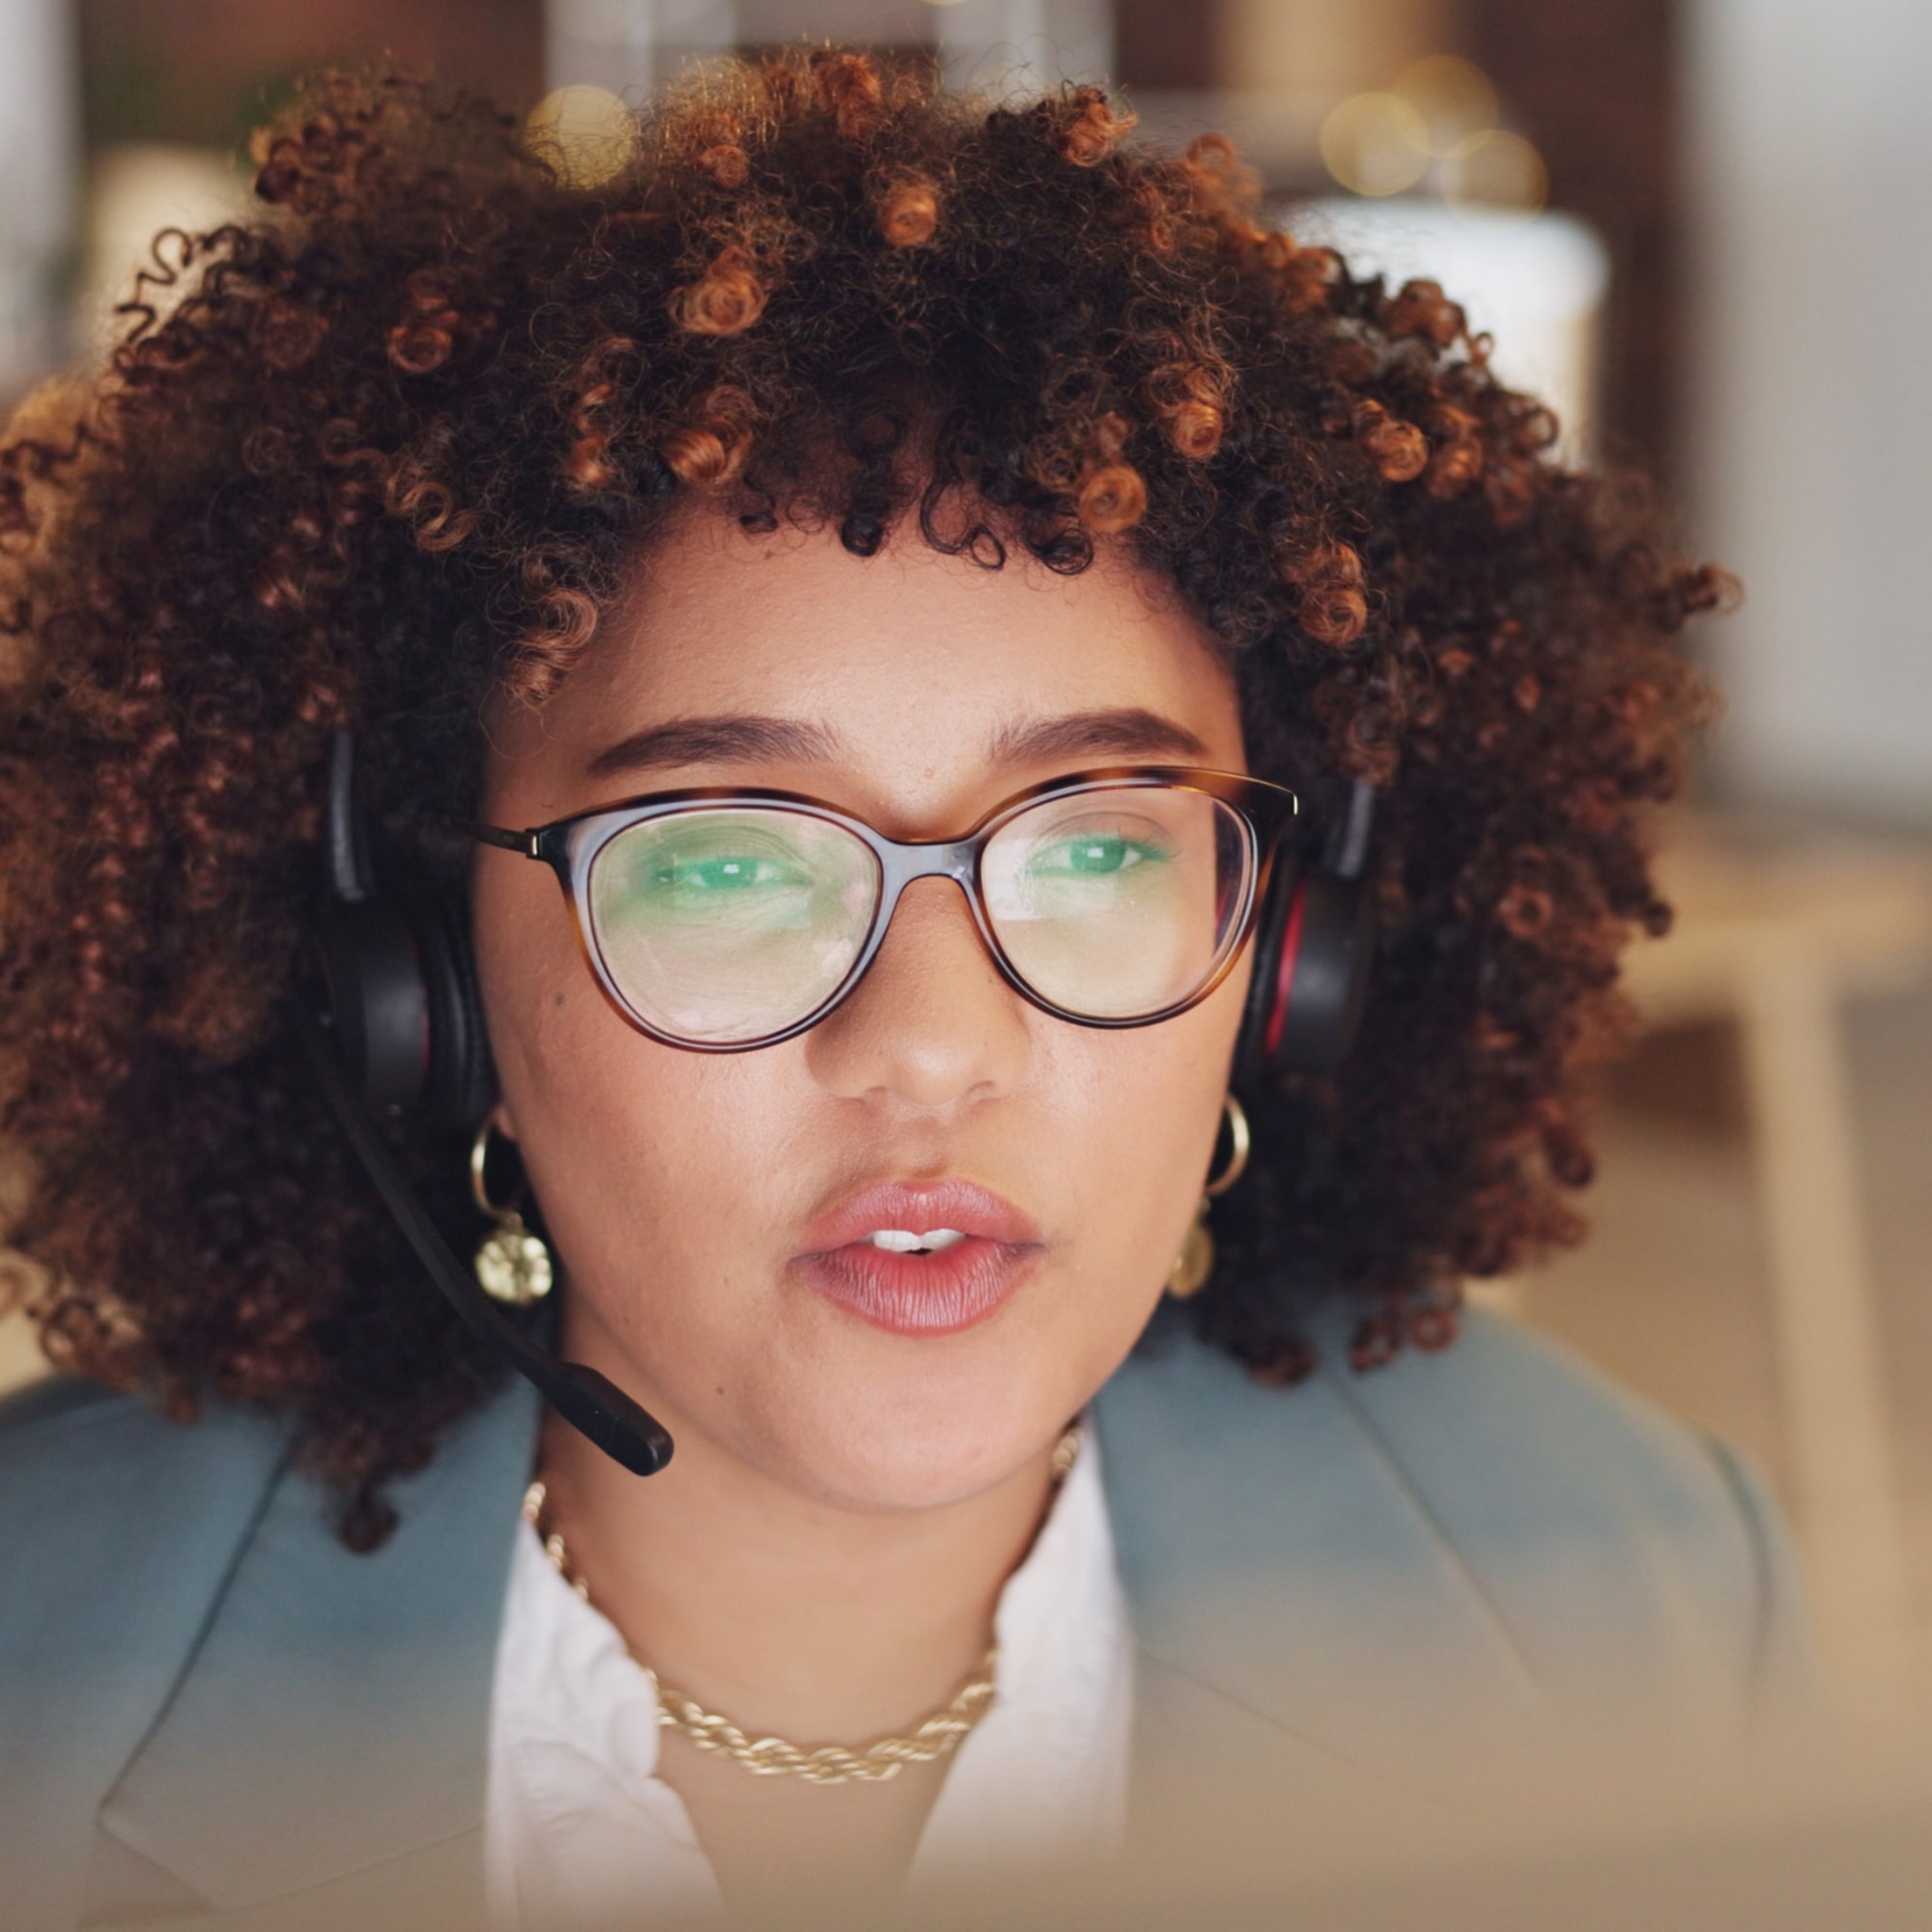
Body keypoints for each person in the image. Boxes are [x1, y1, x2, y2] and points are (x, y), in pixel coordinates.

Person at [0, 50, 1812, 1931]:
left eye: (1099, 841)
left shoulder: (1651, 1600)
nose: (934, 1044)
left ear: (1287, 962)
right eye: (721, 860)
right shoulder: (33, 1672)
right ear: (420, 976)